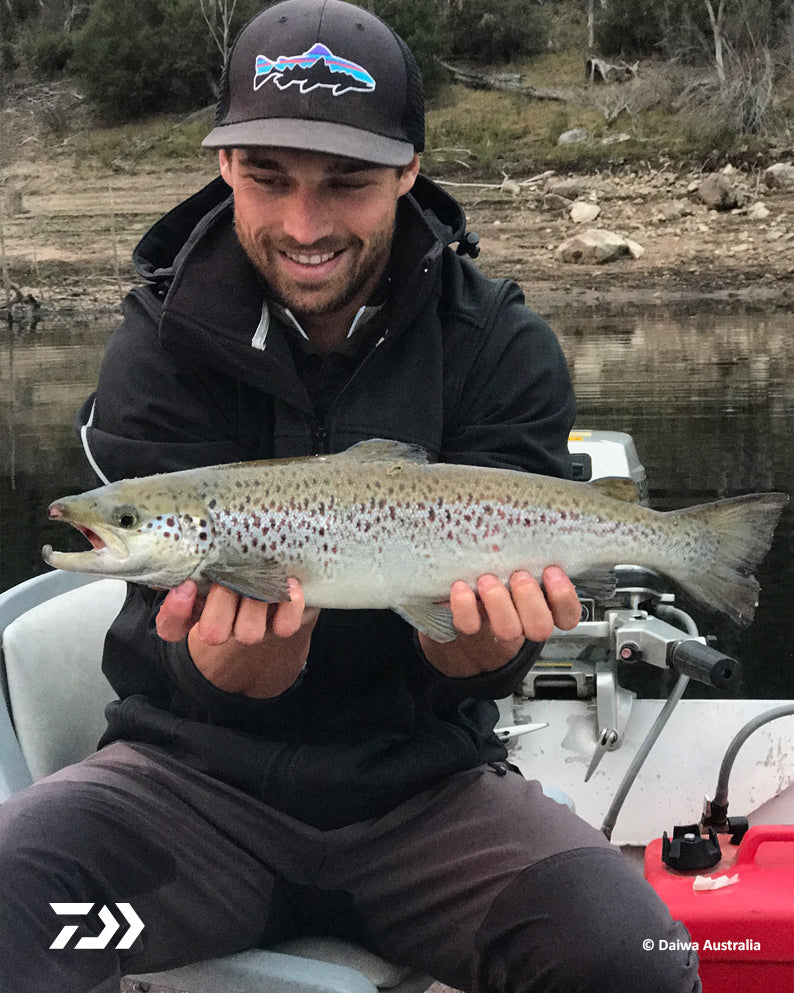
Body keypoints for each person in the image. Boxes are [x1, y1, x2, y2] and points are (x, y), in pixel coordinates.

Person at [0, 2, 701, 991]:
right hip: (183, 813)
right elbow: (201, 666)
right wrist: (236, 672)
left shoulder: (501, 346)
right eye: (267, 177)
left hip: (430, 809)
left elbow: (480, 664)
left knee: (637, 961)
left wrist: (486, 652)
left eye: (348, 182)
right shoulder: (153, 348)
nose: (303, 223)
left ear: (410, 170)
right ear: (223, 166)